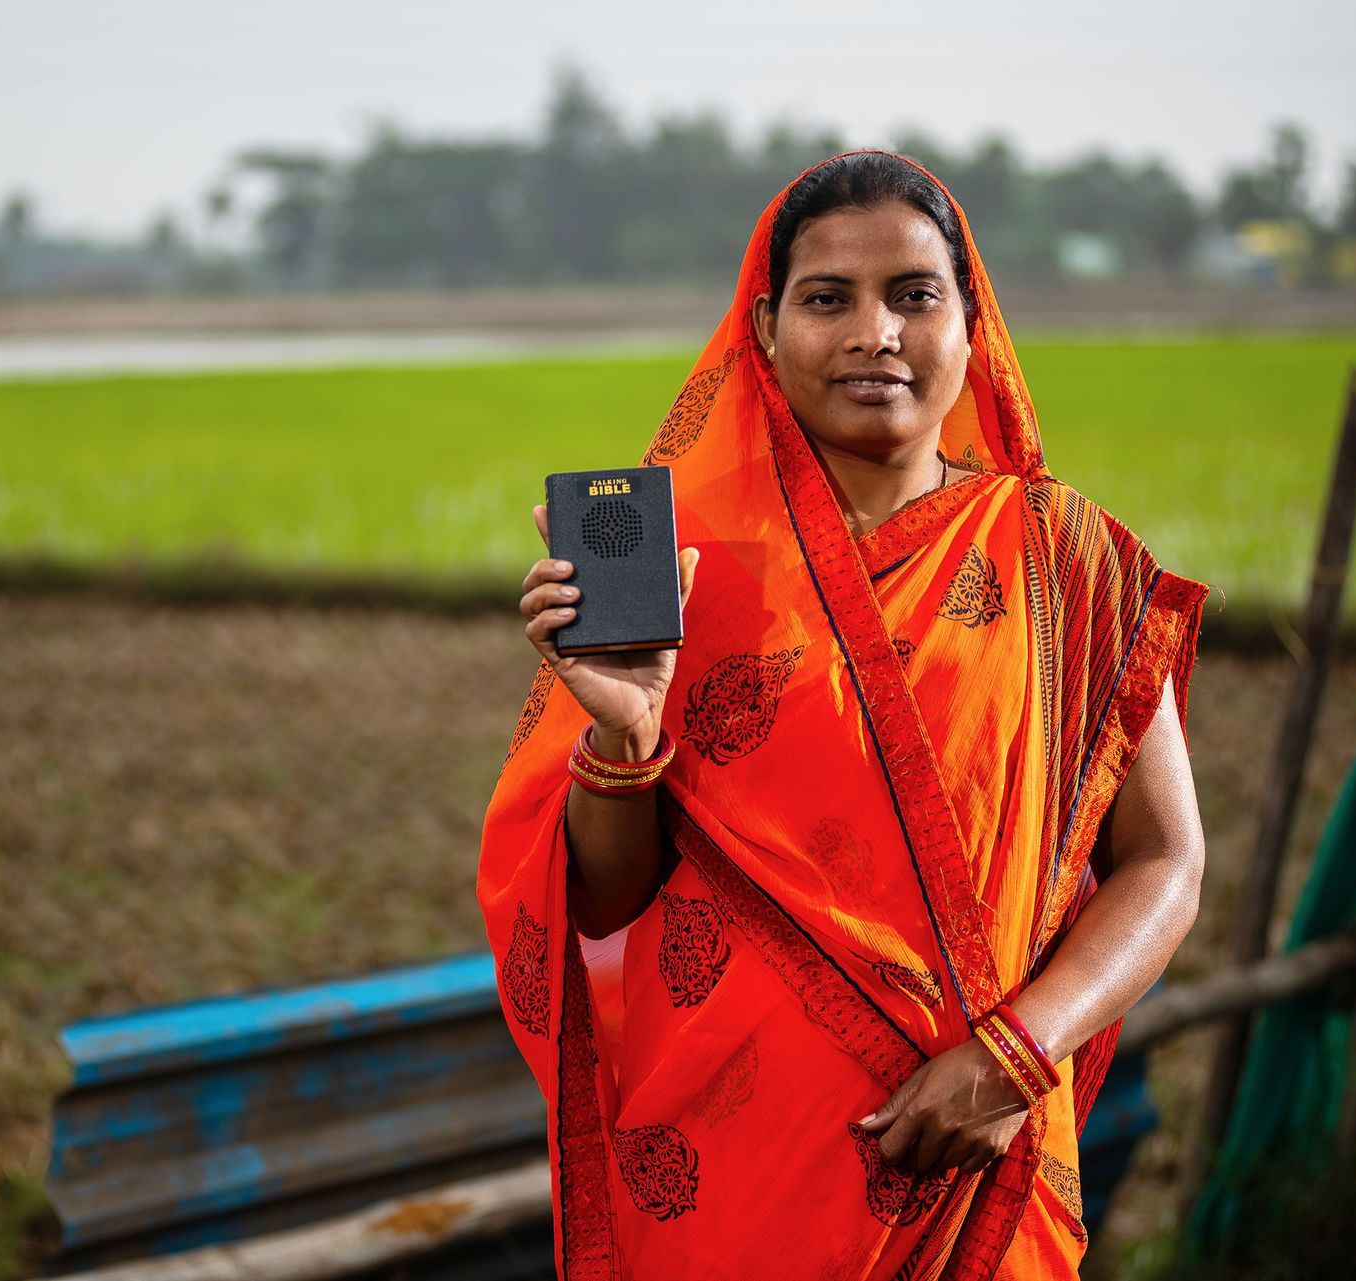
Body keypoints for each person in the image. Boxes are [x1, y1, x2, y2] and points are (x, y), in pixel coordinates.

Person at [477, 151, 1208, 1280]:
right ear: (765, 329)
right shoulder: (681, 571)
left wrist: (1020, 1055)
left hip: (981, 1158)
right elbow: (607, 901)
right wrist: (623, 737)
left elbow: (1164, 860)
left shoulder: (1065, 559)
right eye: (829, 299)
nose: (876, 333)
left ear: (975, 325)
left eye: (915, 295)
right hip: (733, 1168)